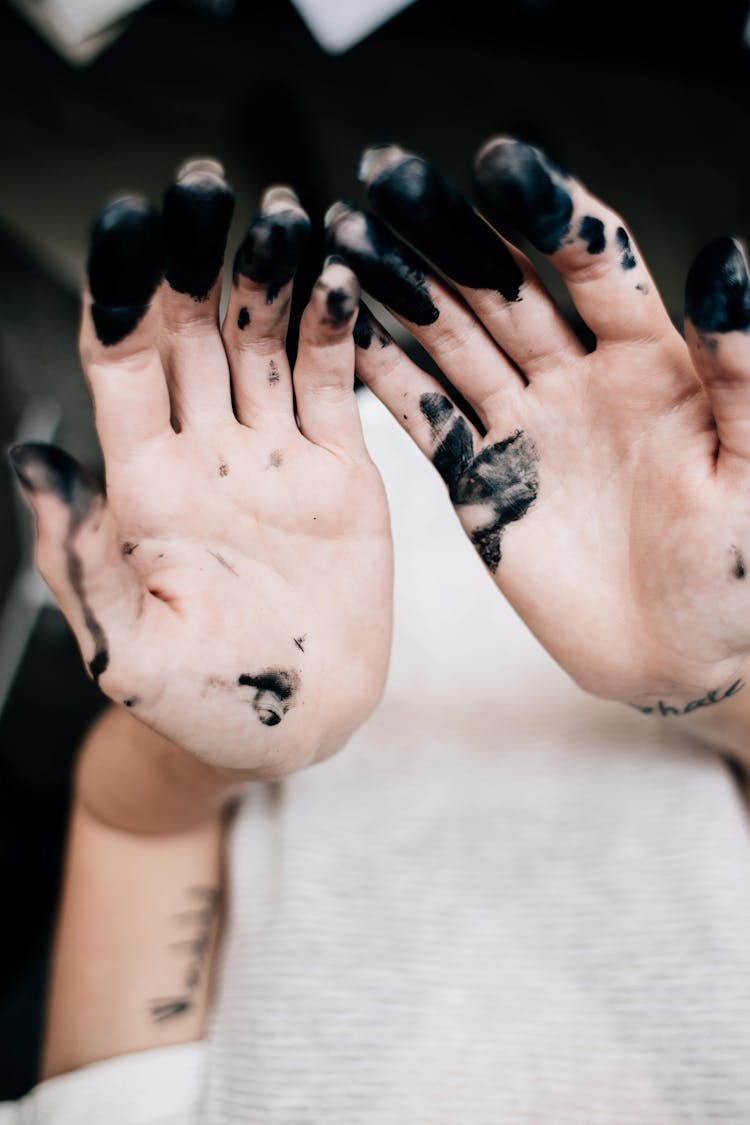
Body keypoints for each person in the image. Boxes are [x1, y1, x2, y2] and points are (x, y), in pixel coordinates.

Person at [3, 138, 750, 1123]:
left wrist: (240, 732)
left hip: (277, 568)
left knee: (276, 344)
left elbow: (133, 826)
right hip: (600, 531)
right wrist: (712, 678)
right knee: (440, 322)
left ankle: (296, 175)